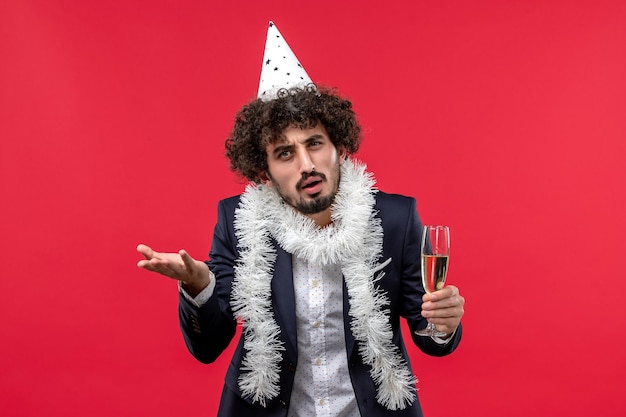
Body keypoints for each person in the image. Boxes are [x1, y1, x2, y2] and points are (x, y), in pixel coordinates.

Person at [137, 22, 465, 417]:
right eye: (285, 153)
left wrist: (442, 324)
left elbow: (428, 335)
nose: (307, 165)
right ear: (265, 171)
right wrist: (198, 285)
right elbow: (208, 348)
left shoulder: (394, 218)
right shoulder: (237, 222)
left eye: (314, 144)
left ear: (337, 147)